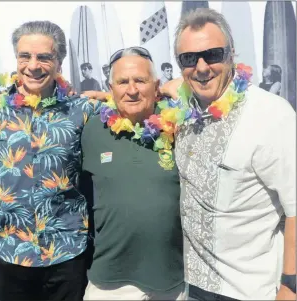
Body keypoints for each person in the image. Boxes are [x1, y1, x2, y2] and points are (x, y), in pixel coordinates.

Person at [161, 8, 295, 300]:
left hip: (250, 291)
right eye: (188, 59)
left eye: (213, 54)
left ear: (231, 54)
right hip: (192, 286)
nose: (201, 67)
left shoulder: (271, 114)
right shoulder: (182, 112)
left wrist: (291, 285)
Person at [0, 20, 101, 301]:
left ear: (59, 62)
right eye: (25, 56)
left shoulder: (82, 110)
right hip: (10, 252)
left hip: (67, 253)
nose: (33, 66)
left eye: (44, 57)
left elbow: (131, 109)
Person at [81, 47, 186, 300]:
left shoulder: (181, 123)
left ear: (156, 85)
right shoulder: (92, 127)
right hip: (109, 280)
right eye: (122, 82)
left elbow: (213, 84)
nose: (131, 89)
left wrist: (178, 86)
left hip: (171, 279)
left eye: (140, 80)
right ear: (110, 88)